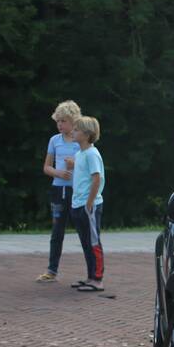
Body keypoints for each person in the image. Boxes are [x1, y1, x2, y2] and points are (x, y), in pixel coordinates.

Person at [37, 100, 82, 282]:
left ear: (73, 121)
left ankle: (93, 274)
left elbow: (90, 167)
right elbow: (46, 167)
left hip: (77, 191)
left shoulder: (81, 140)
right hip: (58, 189)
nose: (59, 125)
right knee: (57, 231)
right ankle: (51, 270)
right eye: (58, 121)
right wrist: (58, 172)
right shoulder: (54, 140)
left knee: (83, 230)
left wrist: (75, 165)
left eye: (63, 121)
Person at [70, 116, 105, 292]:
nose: (73, 132)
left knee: (93, 241)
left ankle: (98, 279)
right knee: (85, 242)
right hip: (77, 204)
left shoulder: (92, 153)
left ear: (86, 134)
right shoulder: (80, 154)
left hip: (89, 205)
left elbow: (96, 178)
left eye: (76, 130)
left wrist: (89, 203)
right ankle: (90, 276)